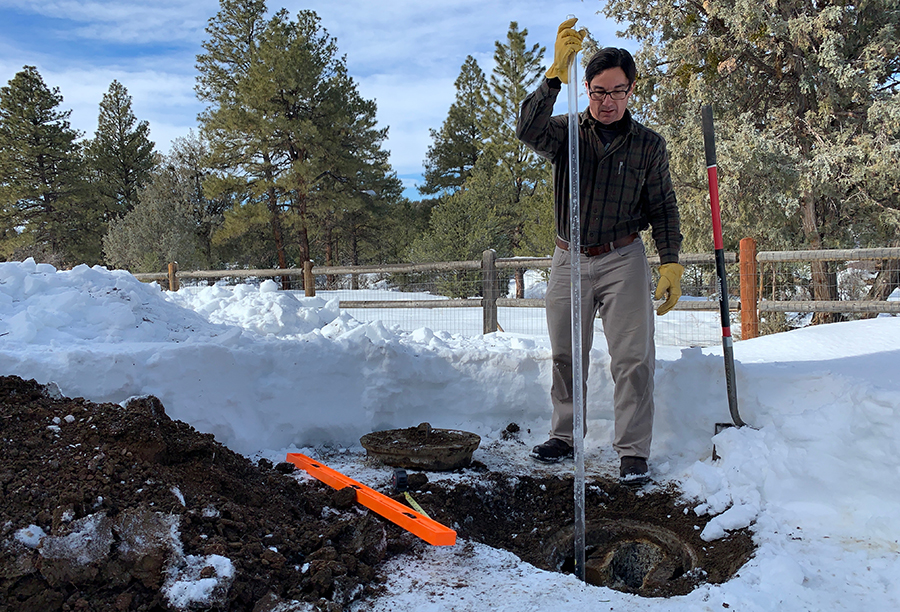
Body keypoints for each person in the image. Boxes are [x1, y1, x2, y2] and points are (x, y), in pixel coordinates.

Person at [516, 18, 683, 485]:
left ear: (631, 91)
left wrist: (670, 260)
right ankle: (565, 436)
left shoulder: (649, 145)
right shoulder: (567, 132)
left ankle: (632, 450)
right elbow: (526, 127)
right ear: (586, 89)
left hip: (623, 258)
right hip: (569, 257)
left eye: (617, 91)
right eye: (597, 91)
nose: (607, 101)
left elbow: (663, 207)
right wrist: (554, 74)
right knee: (567, 355)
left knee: (632, 359)